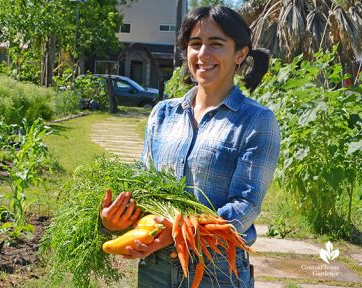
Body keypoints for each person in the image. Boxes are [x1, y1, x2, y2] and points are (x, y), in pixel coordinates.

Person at [100, 5, 281, 288]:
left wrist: (179, 231)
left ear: (241, 54)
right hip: (155, 268)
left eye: (216, 44)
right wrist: (117, 219)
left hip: (216, 270)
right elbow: (144, 184)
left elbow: (245, 206)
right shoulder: (163, 113)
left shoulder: (257, 121)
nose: (203, 54)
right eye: (195, 44)